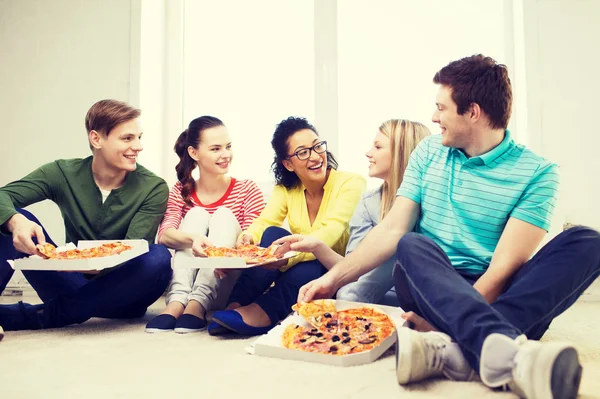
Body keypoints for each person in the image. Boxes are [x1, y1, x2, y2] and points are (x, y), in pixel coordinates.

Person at [297, 55, 600, 399]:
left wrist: (464, 320)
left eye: (441, 108)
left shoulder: (538, 172)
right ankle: (503, 348)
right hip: (429, 284)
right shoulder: (428, 151)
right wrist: (330, 279)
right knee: (412, 244)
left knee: (587, 241)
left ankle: (458, 350)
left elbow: (503, 268)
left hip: (494, 289)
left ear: (472, 111)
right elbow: (392, 230)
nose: (433, 117)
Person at [0, 99, 172, 332]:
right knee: (12, 216)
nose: (139, 146)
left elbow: (133, 251)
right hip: (69, 282)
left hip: (123, 293)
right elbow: (4, 196)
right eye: (128, 138)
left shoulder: (154, 187)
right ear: (96, 139)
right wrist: (15, 221)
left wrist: (94, 264)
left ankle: (38, 316)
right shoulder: (61, 173)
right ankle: (69, 309)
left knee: (158, 256)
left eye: (139, 137)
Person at [208, 116, 366, 336]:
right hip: (297, 265)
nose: (315, 156)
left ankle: (262, 313)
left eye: (317, 146)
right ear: (288, 163)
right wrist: (249, 237)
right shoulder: (286, 189)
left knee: (311, 266)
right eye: (303, 152)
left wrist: (287, 256)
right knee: (272, 234)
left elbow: (331, 231)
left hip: (332, 268)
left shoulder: (351, 183)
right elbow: (266, 222)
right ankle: (236, 304)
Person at [274, 119, 430, 305]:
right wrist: (317, 246)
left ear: (401, 153)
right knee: (342, 289)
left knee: (402, 243)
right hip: (380, 296)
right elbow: (352, 270)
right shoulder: (368, 203)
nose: (368, 153)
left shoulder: (432, 201)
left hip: (421, 293)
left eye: (378, 147)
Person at [145, 116, 264, 333]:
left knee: (223, 215)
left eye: (228, 147)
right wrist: (193, 239)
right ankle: (177, 302)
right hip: (186, 281)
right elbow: (164, 235)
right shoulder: (181, 191)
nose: (226, 154)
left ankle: (198, 304)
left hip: (226, 280)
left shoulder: (248, 189)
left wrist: (231, 248)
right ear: (194, 153)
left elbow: (252, 241)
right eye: (216, 148)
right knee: (197, 214)